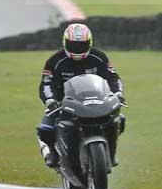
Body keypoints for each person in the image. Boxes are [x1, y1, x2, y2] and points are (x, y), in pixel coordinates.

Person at [37, 22, 125, 168]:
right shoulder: (55, 61)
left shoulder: (99, 57)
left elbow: (112, 77)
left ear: (89, 43)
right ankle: (53, 152)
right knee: (45, 128)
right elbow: (47, 84)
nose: (77, 49)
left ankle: (110, 152)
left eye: (81, 45)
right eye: (74, 45)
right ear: (65, 42)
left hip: (98, 101)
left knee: (118, 120)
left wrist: (118, 93)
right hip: (64, 104)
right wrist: (50, 100)